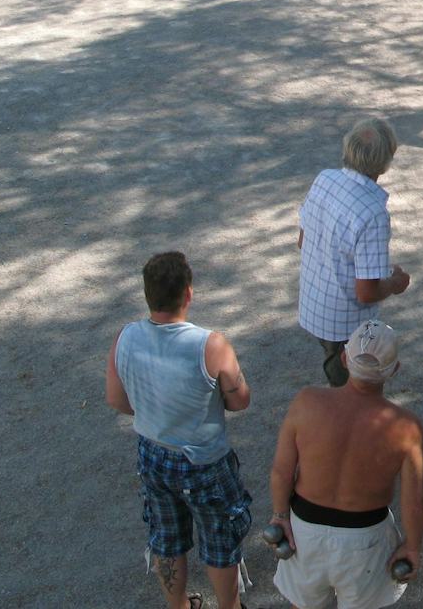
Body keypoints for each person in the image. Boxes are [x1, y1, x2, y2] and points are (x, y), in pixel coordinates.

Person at [106, 252, 253, 609]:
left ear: (147, 295)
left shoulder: (124, 338)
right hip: (205, 462)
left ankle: (179, 605)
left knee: (166, 536)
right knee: (219, 539)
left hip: (154, 455)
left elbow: (117, 401)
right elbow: (240, 401)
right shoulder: (211, 345)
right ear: (188, 294)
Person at [268, 320, 423, 609]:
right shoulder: (406, 427)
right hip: (365, 539)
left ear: (344, 358)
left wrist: (280, 516)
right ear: (394, 370)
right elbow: (414, 502)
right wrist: (413, 546)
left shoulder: (306, 401)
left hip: (305, 531)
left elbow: (281, 471)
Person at [298, 116, 411, 387]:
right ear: (384, 163)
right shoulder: (373, 213)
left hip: (315, 308)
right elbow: (366, 292)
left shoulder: (324, 179)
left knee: (338, 376)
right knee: (351, 392)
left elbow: (303, 240)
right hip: (346, 325)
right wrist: (395, 283)